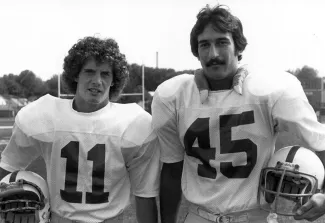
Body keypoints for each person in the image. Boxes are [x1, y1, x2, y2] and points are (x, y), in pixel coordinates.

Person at [151, 4, 325, 223]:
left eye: (222, 42)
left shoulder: (270, 89)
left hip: (254, 218)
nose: (213, 54)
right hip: (199, 216)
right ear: (196, 51)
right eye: (204, 45)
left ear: (238, 47)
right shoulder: (173, 95)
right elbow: (172, 168)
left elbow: (321, 142)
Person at [0, 36, 160, 223]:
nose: (97, 81)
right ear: (76, 74)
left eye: (105, 74)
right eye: (89, 72)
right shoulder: (44, 115)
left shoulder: (135, 122)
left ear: (114, 79)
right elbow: (8, 165)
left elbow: (145, 193)